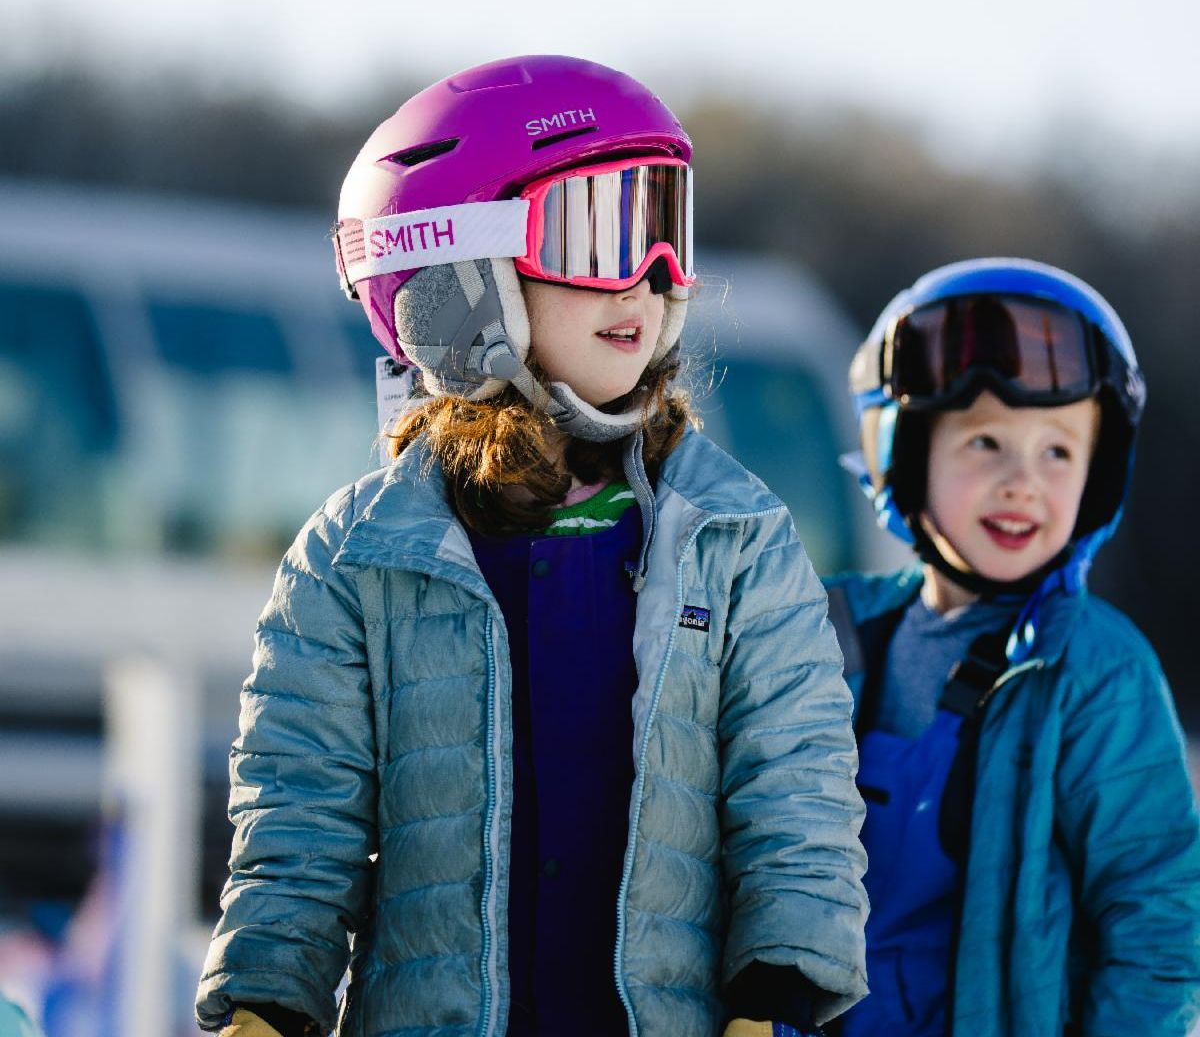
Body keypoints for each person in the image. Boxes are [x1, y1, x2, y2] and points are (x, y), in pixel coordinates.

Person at [194, 55, 868, 1037]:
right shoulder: (361, 554)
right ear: (466, 282)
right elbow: (300, 824)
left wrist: (777, 997)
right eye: (599, 231)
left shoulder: (735, 538)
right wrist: (266, 1003)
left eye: (663, 224)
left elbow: (795, 795)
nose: (649, 274)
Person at [824, 258, 1200, 1036]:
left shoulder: (1095, 672)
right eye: (986, 441)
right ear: (904, 453)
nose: (1023, 481)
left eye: (1058, 452)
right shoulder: (829, 634)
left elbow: (1158, 923)